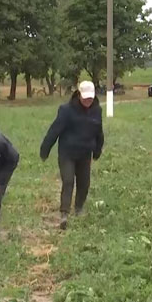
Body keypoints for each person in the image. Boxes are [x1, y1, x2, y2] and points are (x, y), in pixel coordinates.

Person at [40, 80, 104, 230]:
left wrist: (98, 149)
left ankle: (79, 208)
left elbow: (98, 131)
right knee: (68, 181)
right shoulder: (66, 110)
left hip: (85, 153)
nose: (88, 101)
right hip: (67, 153)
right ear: (78, 94)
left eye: (90, 98)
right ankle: (64, 214)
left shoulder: (97, 110)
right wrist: (45, 149)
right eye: (85, 97)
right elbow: (54, 130)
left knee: (84, 183)